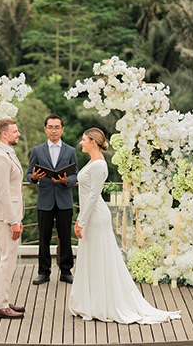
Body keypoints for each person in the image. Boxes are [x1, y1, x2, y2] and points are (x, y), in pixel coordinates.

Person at [68, 127, 181, 324]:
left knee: (99, 260)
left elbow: (94, 196)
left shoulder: (98, 166)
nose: (81, 143)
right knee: (92, 259)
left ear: (93, 142)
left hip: (94, 217)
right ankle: (91, 303)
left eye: (84, 140)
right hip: (91, 215)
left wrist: (80, 221)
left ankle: (101, 304)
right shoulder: (93, 162)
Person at [27, 114, 79, 285]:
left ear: (62, 129)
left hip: (64, 199)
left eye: (57, 127)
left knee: (65, 237)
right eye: (50, 127)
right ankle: (43, 272)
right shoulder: (37, 150)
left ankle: (66, 272)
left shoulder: (70, 151)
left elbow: (76, 174)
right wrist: (34, 177)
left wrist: (67, 181)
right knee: (44, 238)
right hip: (45, 200)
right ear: (45, 129)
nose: (54, 130)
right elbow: (29, 174)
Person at [0, 118, 26, 320]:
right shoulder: (1, 158)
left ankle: (2, 300)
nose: (18, 134)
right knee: (6, 260)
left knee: (3, 259)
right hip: (5, 218)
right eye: (15, 131)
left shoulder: (6, 154)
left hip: (8, 216)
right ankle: (0, 305)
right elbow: (3, 193)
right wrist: (13, 221)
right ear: (4, 134)